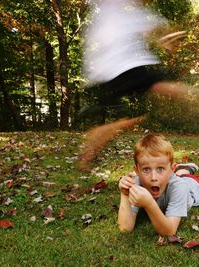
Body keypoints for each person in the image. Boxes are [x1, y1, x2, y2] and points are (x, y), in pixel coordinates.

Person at [78, 0, 191, 170]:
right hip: (120, 69)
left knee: (123, 122)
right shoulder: (116, 8)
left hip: (110, 72)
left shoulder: (131, 14)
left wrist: (165, 38)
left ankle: (87, 155)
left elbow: (155, 30)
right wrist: (166, 38)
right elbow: (157, 31)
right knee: (160, 88)